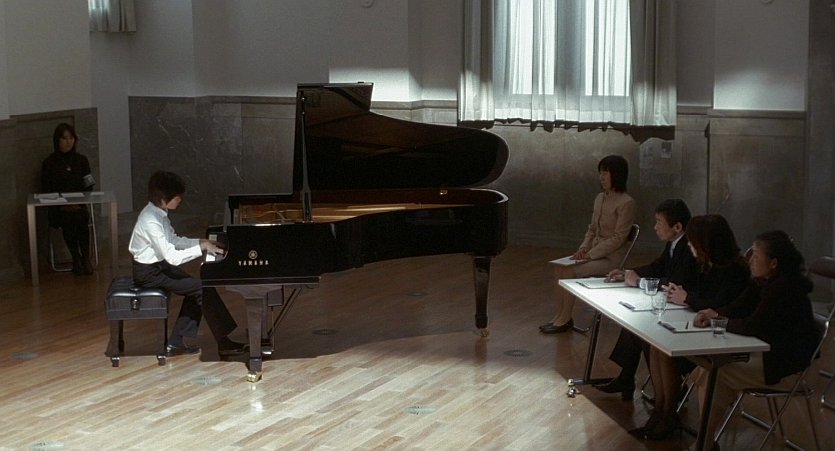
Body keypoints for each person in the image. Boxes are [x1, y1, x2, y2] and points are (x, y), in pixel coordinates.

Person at [691, 230, 818, 450]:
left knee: (716, 370)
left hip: (785, 367)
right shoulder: (764, 281)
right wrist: (715, 314)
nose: (750, 260)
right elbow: (738, 306)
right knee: (710, 366)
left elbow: (753, 326)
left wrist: (717, 321)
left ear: (774, 263)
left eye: (757, 256)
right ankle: (705, 442)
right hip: (769, 354)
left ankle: (704, 443)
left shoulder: (785, 288)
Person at [632, 214, 749, 440]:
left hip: (722, 338)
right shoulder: (706, 264)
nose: (690, 247)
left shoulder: (734, 270)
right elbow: (701, 296)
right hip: (703, 328)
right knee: (656, 344)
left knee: (665, 350)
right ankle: (660, 411)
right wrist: (684, 295)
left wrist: (688, 298)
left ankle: (668, 415)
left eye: (693, 242)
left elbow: (720, 306)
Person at [129, 171, 247, 357]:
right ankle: (224, 343)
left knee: (198, 288)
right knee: (201, 288)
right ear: (164, 198)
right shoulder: (150, 220)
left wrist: (201, 242)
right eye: (178, 197)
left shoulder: (158, 212)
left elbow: (174, 240)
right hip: (149, 273)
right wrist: (202, 248)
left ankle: (177, 343)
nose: (180, 200)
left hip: (159, 267)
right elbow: (173, 257)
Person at [594, 199, 698, 399]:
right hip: (675, 305)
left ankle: (669, 386)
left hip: (685, 310)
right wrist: (629, 273)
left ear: (677, 227)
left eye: (659, 222)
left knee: (645, 330)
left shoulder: (688, 248)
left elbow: (676, 282)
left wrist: (640, 282)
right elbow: (658, 266)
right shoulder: (674, 243)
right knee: (635, 324)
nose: (655, 227)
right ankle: (627, 378)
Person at [540, 154, 636, 334]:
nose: (601, 177)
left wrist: (590, 254)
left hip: (610, 258)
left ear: (617, 175)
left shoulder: (626, 202)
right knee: (559, 268)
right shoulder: (599, 198)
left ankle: (565, 318)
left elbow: (619, 238)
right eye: (600, 173)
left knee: (569, 271)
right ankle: (560, 315)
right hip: (592, 253)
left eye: (605, 173)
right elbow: (592, 229)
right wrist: (584, 248)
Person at [41, 123, 96, 275]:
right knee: (68, 219)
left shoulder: (82, 160)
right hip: (58, 209)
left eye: (71, 138)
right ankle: (76, 258)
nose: (68, 142)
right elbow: (46, 190)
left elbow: (89, 185)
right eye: (64, 138)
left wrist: (78, 203)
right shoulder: (49, 163)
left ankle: (85, 258)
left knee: (80, 218)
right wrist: (62, 204)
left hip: (79, 207)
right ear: (57, 140)